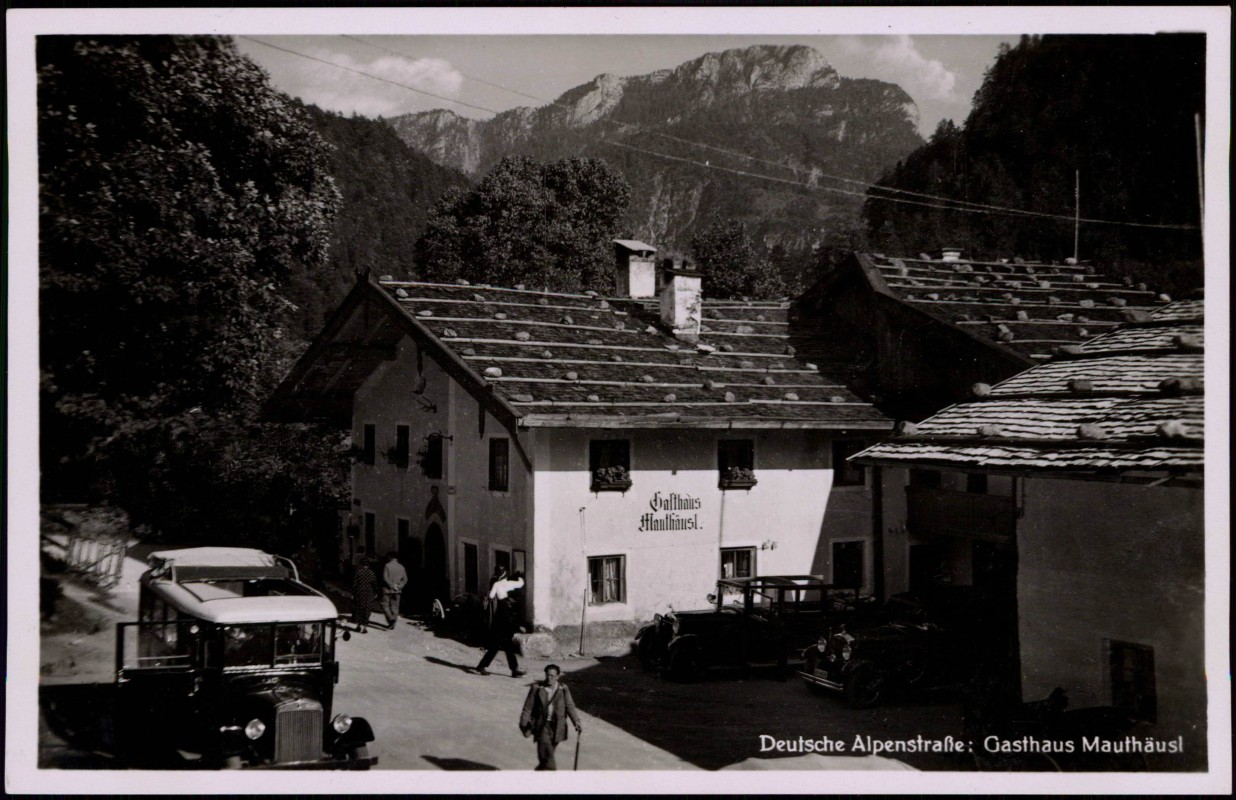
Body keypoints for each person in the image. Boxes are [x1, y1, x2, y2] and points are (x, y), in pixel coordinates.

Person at [519, 664, 582, 771]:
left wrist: (576, 721)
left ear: (558, 676)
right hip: (542, 726)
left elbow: (569, 706)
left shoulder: (563, 689)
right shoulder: (537, 688)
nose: (549, 678)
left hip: (558, 727)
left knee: (546, 756)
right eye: (547, 675)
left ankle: (539, 776)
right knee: (549, 760)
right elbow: (528, 708)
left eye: (552, 676)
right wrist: (524, 724)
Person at [474, 571, 525, 677]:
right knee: (494, 650)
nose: (514, 601)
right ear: (510, 598)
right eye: (514, 599)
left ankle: (514, 670)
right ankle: (481, 666)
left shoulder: (507, 604)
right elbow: (507, 621)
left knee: (508, 650)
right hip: (499, 632)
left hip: (503, 632)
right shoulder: (504, 606)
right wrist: (518, 627)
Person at [380, 552, 408, 630]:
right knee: (395, 607)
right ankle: (393, 624)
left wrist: (391, 586)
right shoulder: (401, 567)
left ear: (391, 557)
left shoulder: (387, 565)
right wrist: (399, 586)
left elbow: (385, 578)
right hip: (397, 590)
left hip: (387, 589)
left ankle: (391, 619)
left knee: (384, 605)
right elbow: (405, 579)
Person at [351, 558, 378, 633]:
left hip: (359, 592)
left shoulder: (358, 572)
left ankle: (358, 626)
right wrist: (376, 592)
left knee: (359, 609)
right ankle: (364, 627)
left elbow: (354, 584)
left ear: (361, 564)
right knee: (367, 609)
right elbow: (374, 584)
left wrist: (353, 593)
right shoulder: (371, 573)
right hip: (369, 593)